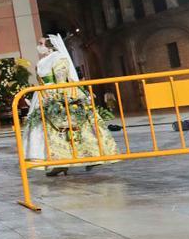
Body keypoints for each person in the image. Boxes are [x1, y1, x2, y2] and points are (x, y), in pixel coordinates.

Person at [22, 35, 118, 176]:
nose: (39, 46)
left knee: (71, 129)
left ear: (50, 46)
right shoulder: (44, 60)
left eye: (41, 43)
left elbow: (61, 82)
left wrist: (56, 100)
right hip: (42, 95)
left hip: (55, 96)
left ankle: (89, 157)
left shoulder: (59, 58)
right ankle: (57, 162)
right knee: (47, 131)